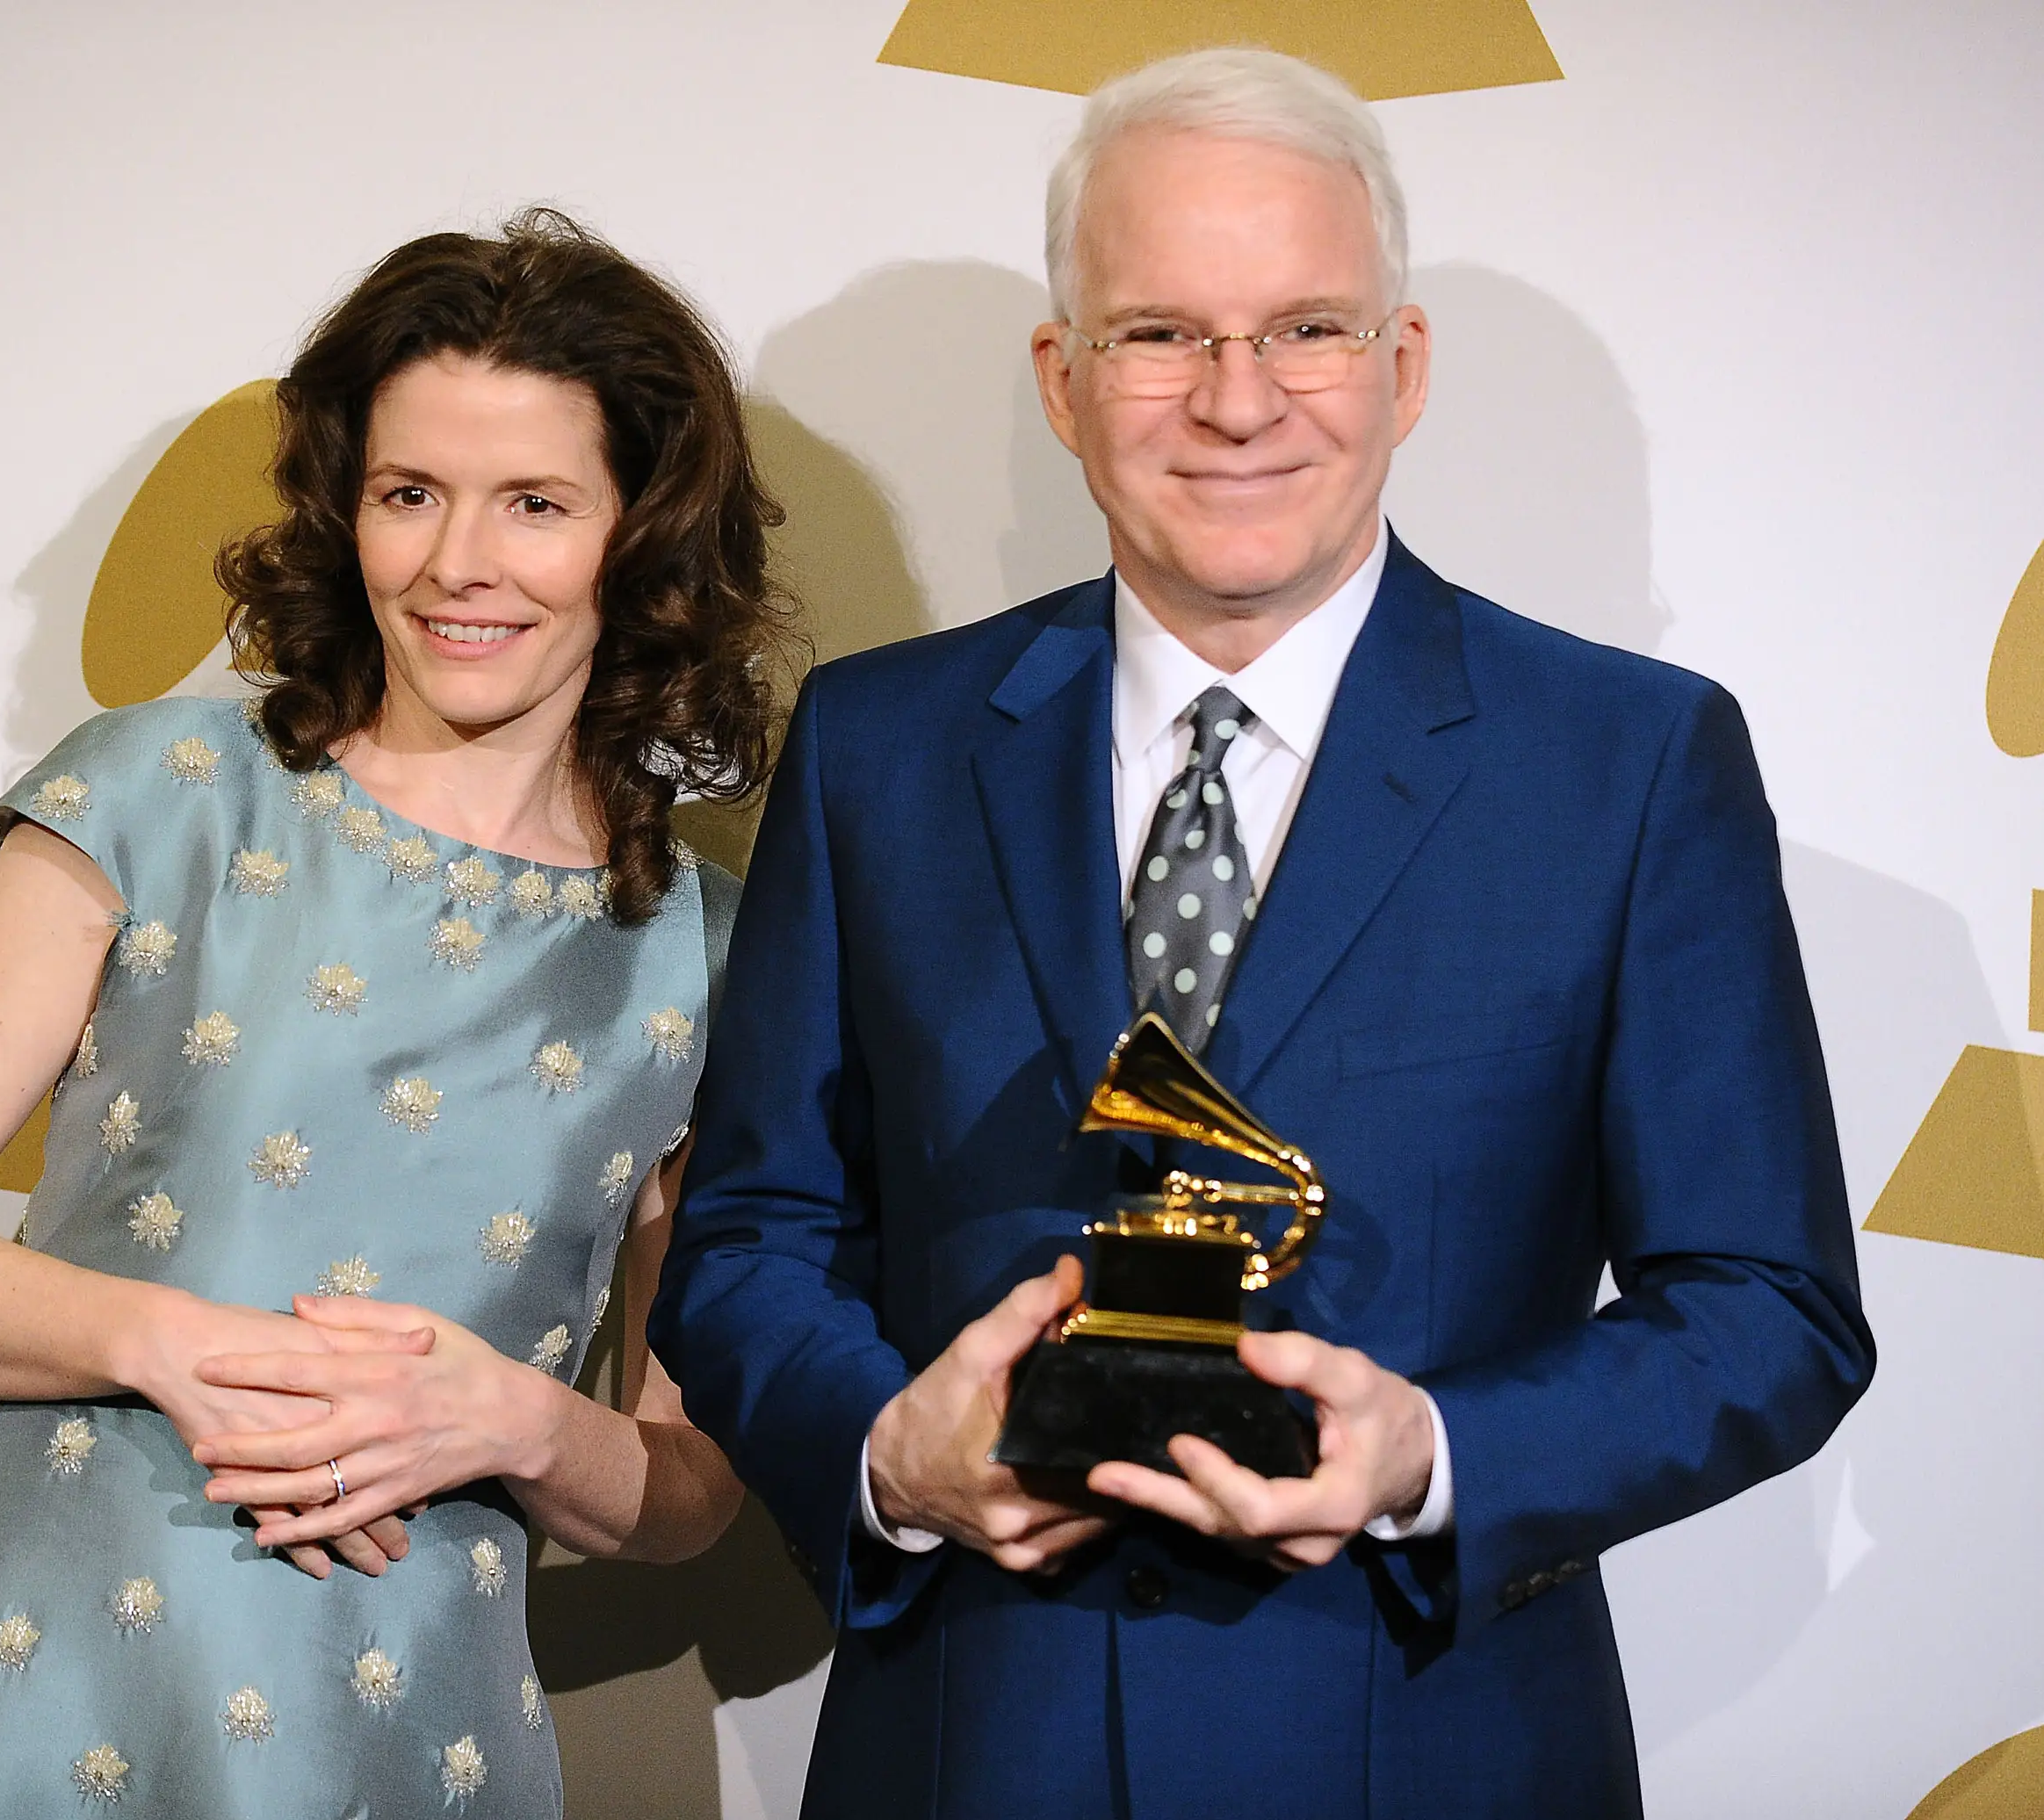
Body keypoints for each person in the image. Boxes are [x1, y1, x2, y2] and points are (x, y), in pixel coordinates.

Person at [652, 46, 1874, 1819]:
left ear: (1404, 369)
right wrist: (891, 1452)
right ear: (1066, 385)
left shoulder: (1628, 761)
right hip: (974, 1745)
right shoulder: (876, 747)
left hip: (1432, 1744)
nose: (1238, 401)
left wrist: (1431, 1454)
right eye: (1160, 335)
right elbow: (753, 1234)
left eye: (1307, 326)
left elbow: (1767, 1309)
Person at [0, 208, 787, 1820]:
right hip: (14, 1657)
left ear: (641, 537)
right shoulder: (163, 793)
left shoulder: (707, 952)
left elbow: (689, 1492)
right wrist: (176, 1343)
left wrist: (511, 1418)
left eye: (535, 505)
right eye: (407, 493)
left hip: (399, 1721)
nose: (454, 564)